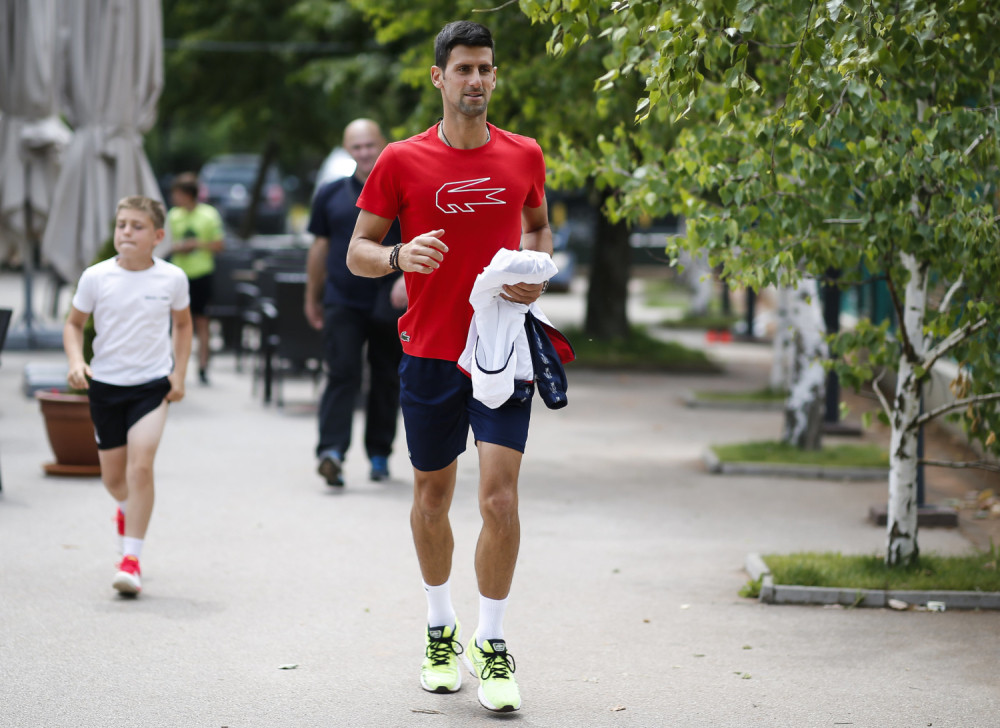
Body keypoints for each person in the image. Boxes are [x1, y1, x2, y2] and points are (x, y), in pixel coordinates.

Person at [347, 21, 553, 713]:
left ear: (495, 76)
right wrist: (399, 257)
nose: (476, 80)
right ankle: (442, 626)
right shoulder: (401, 161)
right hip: (429, 353)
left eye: (485, 68)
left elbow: (539, 226)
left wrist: (538, 273)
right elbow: (358, 252)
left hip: (501, 350)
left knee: (499, 500)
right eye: (463, 68)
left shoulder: (525, 154)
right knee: (432, 500)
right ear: (438, 77)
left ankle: (491, 643)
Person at [63, 196, 192, 597]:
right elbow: (73, 324)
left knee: (141, 468)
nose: (126, 233)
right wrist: (75, 362)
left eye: (137, 226)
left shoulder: (172, 278)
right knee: (114, 479)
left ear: (157, 236)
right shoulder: (96, 277)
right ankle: (126, 508)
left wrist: (179, 373)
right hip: (105, 387)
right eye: (121, 225)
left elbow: (183, 326)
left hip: (151, 387)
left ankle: (130, 559)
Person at [305, 119, 406, 487]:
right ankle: (331, 452)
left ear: (383, 143)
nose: (364, 152)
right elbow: (320, 248)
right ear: (348, 150)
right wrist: (312, 295)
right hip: (342, 299)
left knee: (385, 378)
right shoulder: (331, 193)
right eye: (356, 147)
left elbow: (425, 239)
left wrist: (407, 281)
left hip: (389, 299)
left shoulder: (404, 189)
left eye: (369, 144)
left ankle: (379, 454)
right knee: (341, 373)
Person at [167, 172, 223, 384]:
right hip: (178, 276)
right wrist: (179, 247)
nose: (174, 198)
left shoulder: (209, 215)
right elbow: (164, 243)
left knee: (202, 322)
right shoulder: (173, 216)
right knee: (175, 321)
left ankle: (203, 366)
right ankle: (172, 365)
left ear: (187, 194)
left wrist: (196, 245)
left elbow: (219, 245)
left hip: (201, 274)